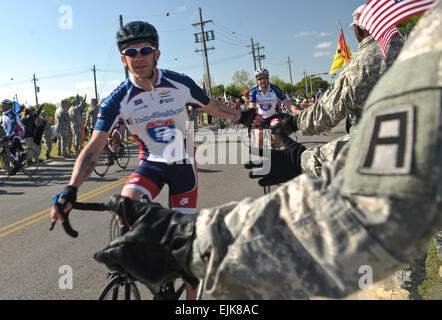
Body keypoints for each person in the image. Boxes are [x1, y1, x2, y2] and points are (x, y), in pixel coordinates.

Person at [90, 1, 442, 300]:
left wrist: (289, 123)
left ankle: (285, 170)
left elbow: (289, 103)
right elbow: (240, 104)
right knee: (265, 147)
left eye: (262, 79)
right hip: (264, 126)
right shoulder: (255, 92)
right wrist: (252, 114)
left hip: (280, 126)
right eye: (258, 80)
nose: (260, 83)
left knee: (281, 156)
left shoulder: (278, 87)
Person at [50, 20, 260, 300]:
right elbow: (93, 148)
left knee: (188, 248)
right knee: (125, 206)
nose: (139, 57)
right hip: (151, 163)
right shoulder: (117, 100)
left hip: (183, 166)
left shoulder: (180, 83)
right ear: (123, 59)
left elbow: (212, 105)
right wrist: (71, 189)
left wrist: (242, 116)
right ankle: (145, 269)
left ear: (156, 54)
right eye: (131, 52)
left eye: (145, 50)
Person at [278, 4, 404, 178]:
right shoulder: (416, 42)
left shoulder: (363, 64)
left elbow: (325, 112)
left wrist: (293, 127)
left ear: (360, 30)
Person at [249, 68, 301, 150]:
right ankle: (260, 161)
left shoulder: (274, 88)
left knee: (277, 135)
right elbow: (252, 107)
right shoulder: (253, 91)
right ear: (256, 81)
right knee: (259, 143)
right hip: (260, 118)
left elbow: (287, 104)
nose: (262, 80)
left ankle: (277, 153)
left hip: (273, 117)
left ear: (268, 78)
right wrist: (251, 119)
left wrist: (300, 113)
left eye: (265, 78)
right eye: (259, 79)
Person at [0, 99, 26, 175]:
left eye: (4, 105)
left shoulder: (11, 114)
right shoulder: (4, 114)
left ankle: (24, 152)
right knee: (11, 149)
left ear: (8, 106)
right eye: (1, 104)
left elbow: (13, 125)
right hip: (10, 133)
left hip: (19, 131)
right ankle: (15, 166)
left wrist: (8, 135)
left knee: (15, 141)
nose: (2, 106)